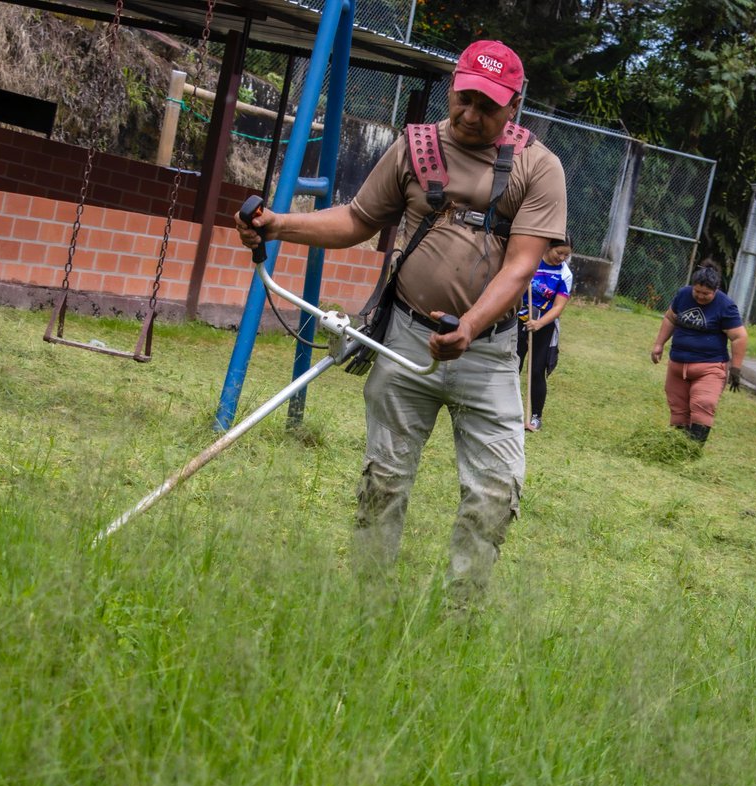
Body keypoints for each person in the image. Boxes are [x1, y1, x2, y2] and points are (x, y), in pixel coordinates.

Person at [234, 40, 568, 602]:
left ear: (513, 106)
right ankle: (367, 602)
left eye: (488, 105)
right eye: (464, 98)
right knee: (383, 482)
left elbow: (520, 268)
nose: (471, 114)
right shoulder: (414, 149)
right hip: (405, 341)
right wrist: (277, 225)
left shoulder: (539, 168)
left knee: (494, 493)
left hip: (487, 355)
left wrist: (468, 326)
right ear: (452, 88)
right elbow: (357, 219)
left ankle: (458, 615)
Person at [649, 263, 747, 444]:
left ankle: (693, 448)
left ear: (716, 290)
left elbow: (739, 337)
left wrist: (736, 369)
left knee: (703, 403)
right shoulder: (683, 294)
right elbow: (670, 318)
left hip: (709, 367)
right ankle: (676, 447)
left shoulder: (725, 306)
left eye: (706, 294)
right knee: (678, 406)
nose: (700, 296)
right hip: (678, 364)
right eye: (697, 292)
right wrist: (659, 344)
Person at [516, 237, 573, 431]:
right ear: (549, 247)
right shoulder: (531, 261)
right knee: (511, 364)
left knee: (537, 370)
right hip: (518, 319)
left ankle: (535, 417)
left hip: (543, 324)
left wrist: (539, 323)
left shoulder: (565, 274)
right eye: (560, 253)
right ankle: (508, 411)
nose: (563, 258)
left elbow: (559, 306)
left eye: (567, 254)